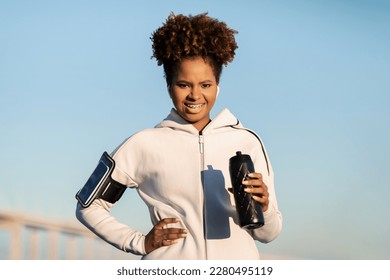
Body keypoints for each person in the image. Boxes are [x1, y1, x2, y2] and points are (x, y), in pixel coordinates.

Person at [76, 12, 282, 260]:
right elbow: (88, 207)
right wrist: (139, 242)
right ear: (168, 85)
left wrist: (266, 208)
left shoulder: (247, 142)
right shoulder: (144, 144)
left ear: (218, 85)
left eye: (205, 85)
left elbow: (269, 234)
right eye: (184, 84)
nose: (195, 95)